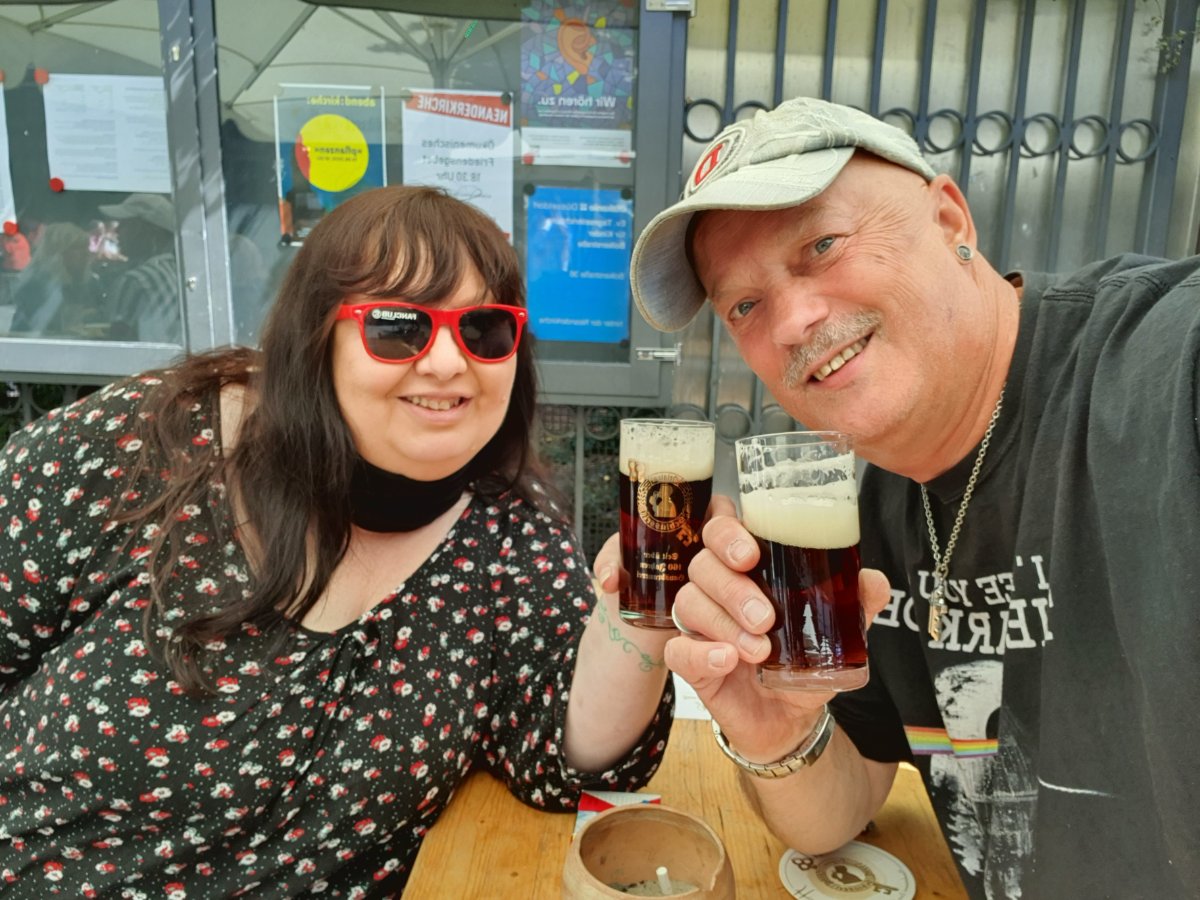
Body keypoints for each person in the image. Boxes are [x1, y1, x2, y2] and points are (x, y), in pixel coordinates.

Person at [0, 185, 674, 896]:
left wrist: (640, 606)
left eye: (483, 329)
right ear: (316, 338)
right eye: (399, 326)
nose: (448, 363)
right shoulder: (143, 445)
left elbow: (561, 761)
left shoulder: (510, 531)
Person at [611, 97, 1199, 899]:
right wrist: (775, 732)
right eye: (744, 305)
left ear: (951, 218)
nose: (792, 323)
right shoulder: (876, 508)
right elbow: (841, 809)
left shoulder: (1159, 371)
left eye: (822, 245)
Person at [98, 192, 181, 341]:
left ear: (150, 230)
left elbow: (116, 343)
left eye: (125, 224)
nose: (117, 231)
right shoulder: (175, 271)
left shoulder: (136, 280)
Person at [8, 222, 101, 336]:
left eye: (86, 248)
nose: (86, 253)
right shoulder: (38, 286)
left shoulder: (90, 283)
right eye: (78, 248)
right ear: (59, 251)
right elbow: (34, 329)